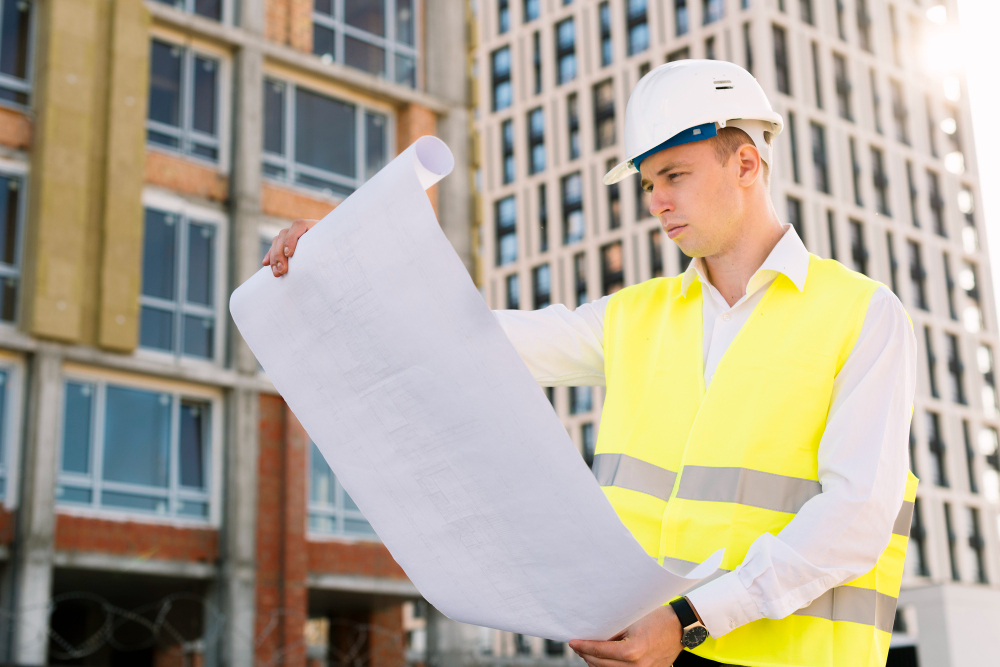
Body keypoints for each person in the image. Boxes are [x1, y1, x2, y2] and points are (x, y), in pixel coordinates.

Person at [263, 60, 918, 667]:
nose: (656, 202)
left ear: (746, 163)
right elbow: (472, 341)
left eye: (675, 176)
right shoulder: (635, 316)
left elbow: (854, 518)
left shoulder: (862, 314)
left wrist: (690, 619)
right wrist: (342, 269)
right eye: (648, 184)